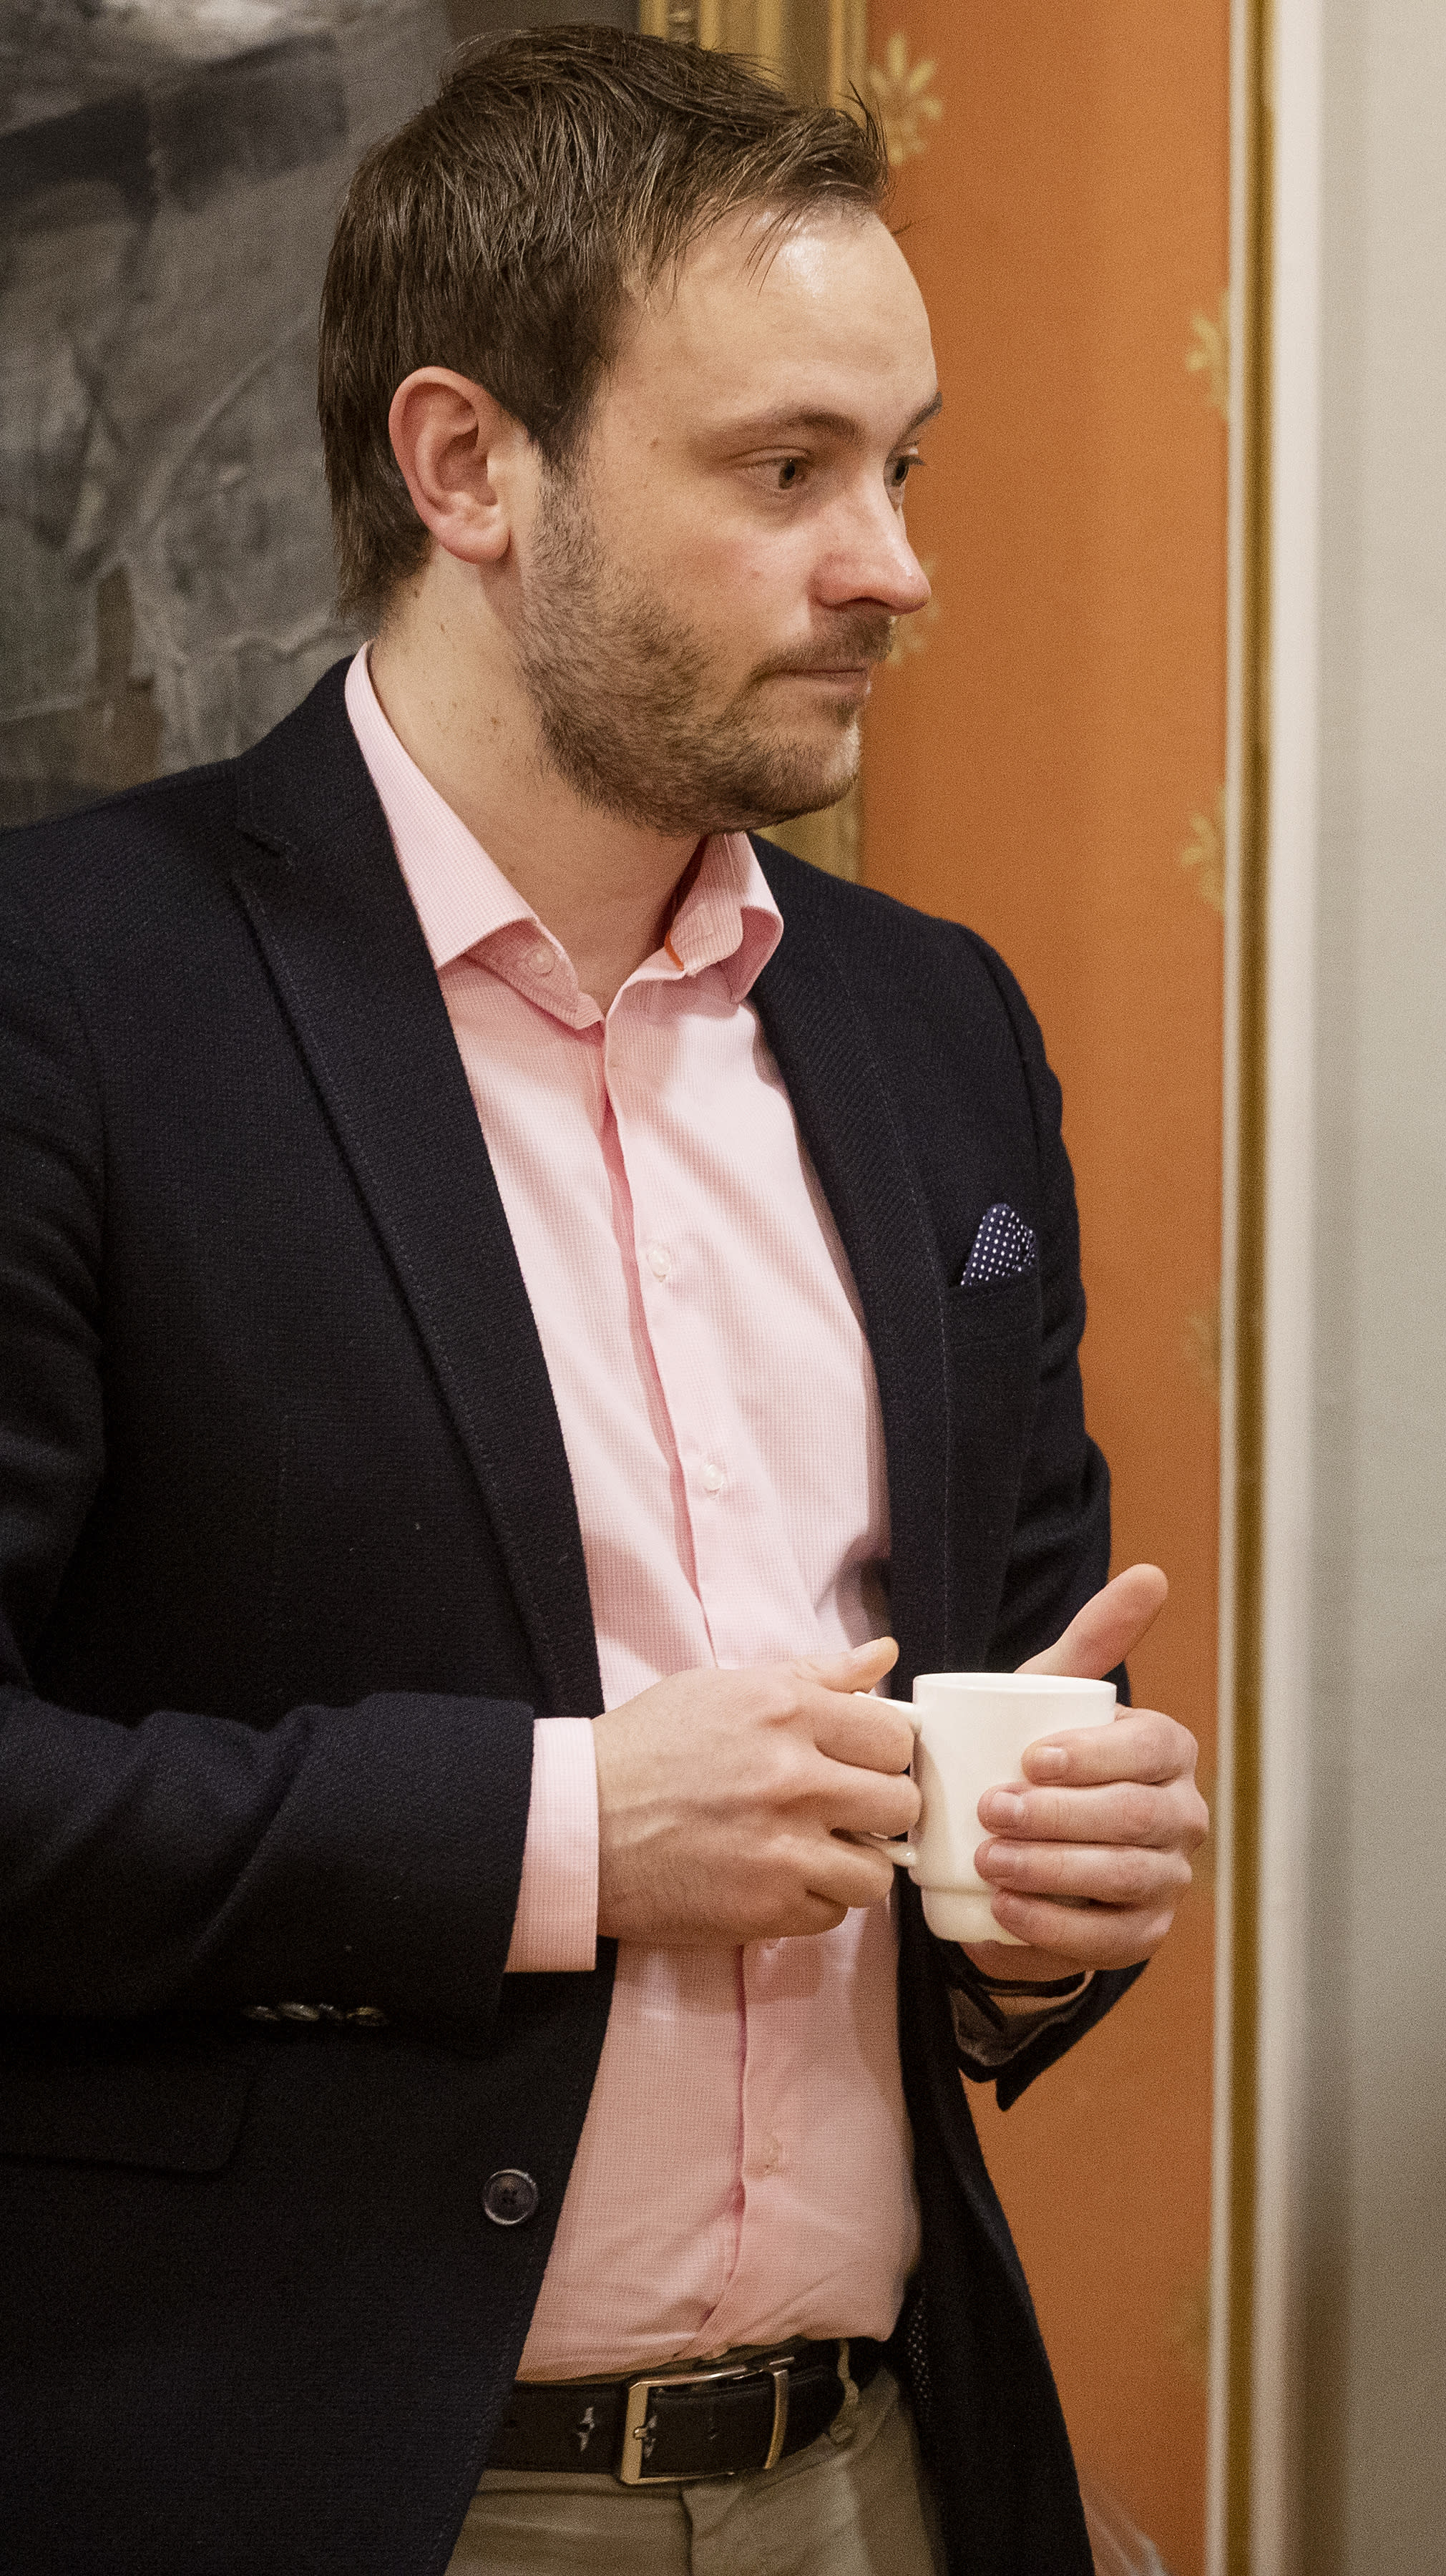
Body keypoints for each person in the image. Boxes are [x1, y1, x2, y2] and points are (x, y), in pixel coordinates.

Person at [0, 30, 1207, 2575]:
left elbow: (1000, 1684)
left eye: (902, 469)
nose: (893, 566)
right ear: (470, 468)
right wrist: (569, 1831)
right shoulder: (71, 998)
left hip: (874, 2472)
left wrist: (1043, 1897)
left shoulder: (937, 1031)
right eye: (786, 472)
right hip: (302, 2484)